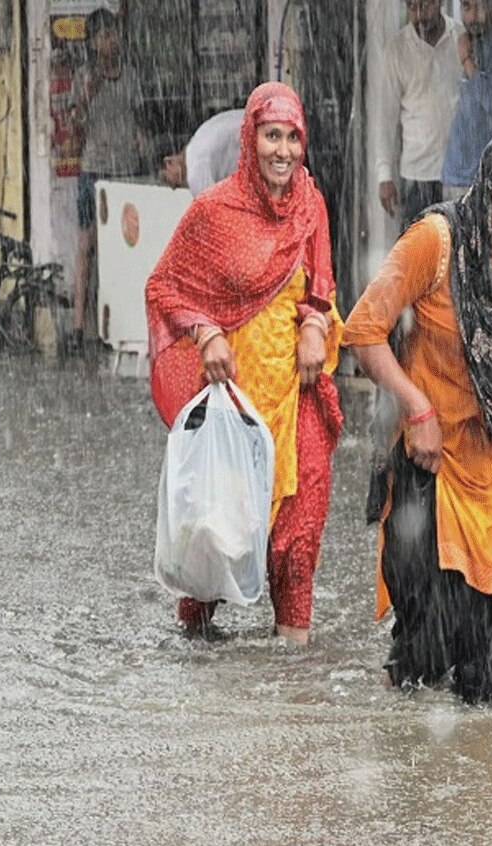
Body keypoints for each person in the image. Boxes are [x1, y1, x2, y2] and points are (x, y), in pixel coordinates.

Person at [343, 134, 492, 704]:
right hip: (434, 462)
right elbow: (364, 329)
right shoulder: (434, 241)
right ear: (491, 190)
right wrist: (417, 408)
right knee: (426, 655)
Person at [145, 82, 344, 645]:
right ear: (249, 139)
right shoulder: (214, 212)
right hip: (236, 401)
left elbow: (322, 285)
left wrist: (313, 326)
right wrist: (206, 333)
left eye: (292, 138)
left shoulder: (311, 204)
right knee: (217, 536)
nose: (283, 150)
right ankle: (198, 656)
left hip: (297, 390)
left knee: (297, 541)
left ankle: (292, 687)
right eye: (271, 135)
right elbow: (164, 286)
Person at [72, 8, 147, 355]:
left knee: (124, 249)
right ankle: (78, 327)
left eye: (113, 34)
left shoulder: (131, 76)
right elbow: (75, 124)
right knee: (87, 246)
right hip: (94, 168)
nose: (109, 41)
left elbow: (140, 121)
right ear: (91, 42)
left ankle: (120, 324)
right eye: (102, 36)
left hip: (126, 170)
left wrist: (143, 146)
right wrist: (89, 90)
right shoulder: (85, 76)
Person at [376, 0, 463, 228]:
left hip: (459, 172)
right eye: (412, 7)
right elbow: (385, 118)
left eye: (425, 5)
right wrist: (384, 175)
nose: (418, 14)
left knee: (457, 253)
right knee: (418, 256)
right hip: (417, 175)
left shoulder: (460, 37)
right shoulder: (397, 50)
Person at [441, 0, 492, 200]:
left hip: (484, 177)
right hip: (456, 173)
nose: (472, 17)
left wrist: (467, 61)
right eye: (466, 7)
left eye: (479, 8)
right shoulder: (465, 40)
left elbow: (491, 99)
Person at [160, 107, 246, 196]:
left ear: (169, 162)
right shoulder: (199, 136)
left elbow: (213, 207)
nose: (173, 188)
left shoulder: (195, 172)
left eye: (166, 179)